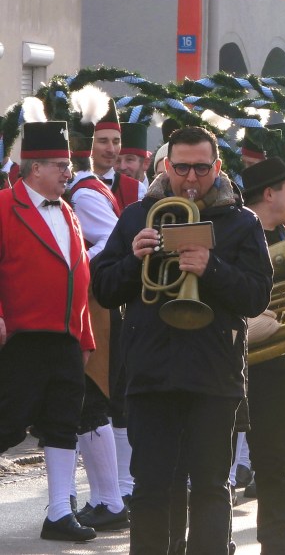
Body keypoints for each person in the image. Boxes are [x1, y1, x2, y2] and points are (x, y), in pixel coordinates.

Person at [91, 125, 274, 555]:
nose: (191, 179)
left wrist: (211, 268)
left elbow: (256, 296)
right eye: (182, 168)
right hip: (150, 374)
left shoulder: (242, 222)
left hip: (214, 374)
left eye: (202, 168)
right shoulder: (137, 216)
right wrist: (134, 262)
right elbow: (103, 289)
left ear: (218, 166)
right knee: (152, 487)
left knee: (211, 486)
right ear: (167, 165)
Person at [0, 120, 96, 542]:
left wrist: (86, 336)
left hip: (64, 339)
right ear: (34, 168)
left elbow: (81, 278)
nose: (68, 173)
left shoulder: (70, 212)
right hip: (20, 338)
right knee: (7, 423)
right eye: (60, 165)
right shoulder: (3, 206)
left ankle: (59, 513)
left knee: (63, 425)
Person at [240, 156, 285, 555]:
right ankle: (215, 538)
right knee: (216, 465)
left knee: (273, 462)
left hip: (271, 368)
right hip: (230, 364)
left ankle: (275, 542)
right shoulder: (233, 231)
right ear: (268, 194)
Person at [64, 93, 130, 531]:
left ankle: (112, 496)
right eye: (103, 141)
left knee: (97, 396)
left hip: (97, 302)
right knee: (104, 396)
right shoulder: (90, 190)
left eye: (114, 141)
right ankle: (115, 491)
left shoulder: (91, 191)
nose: (110, 148)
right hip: (101, 301)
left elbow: (113, 244)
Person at [116, 122, 152, 186]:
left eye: (129, 159)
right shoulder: (101, 194)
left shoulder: (159, 194)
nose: (122, 167)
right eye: (117, 160)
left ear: (145, 163)